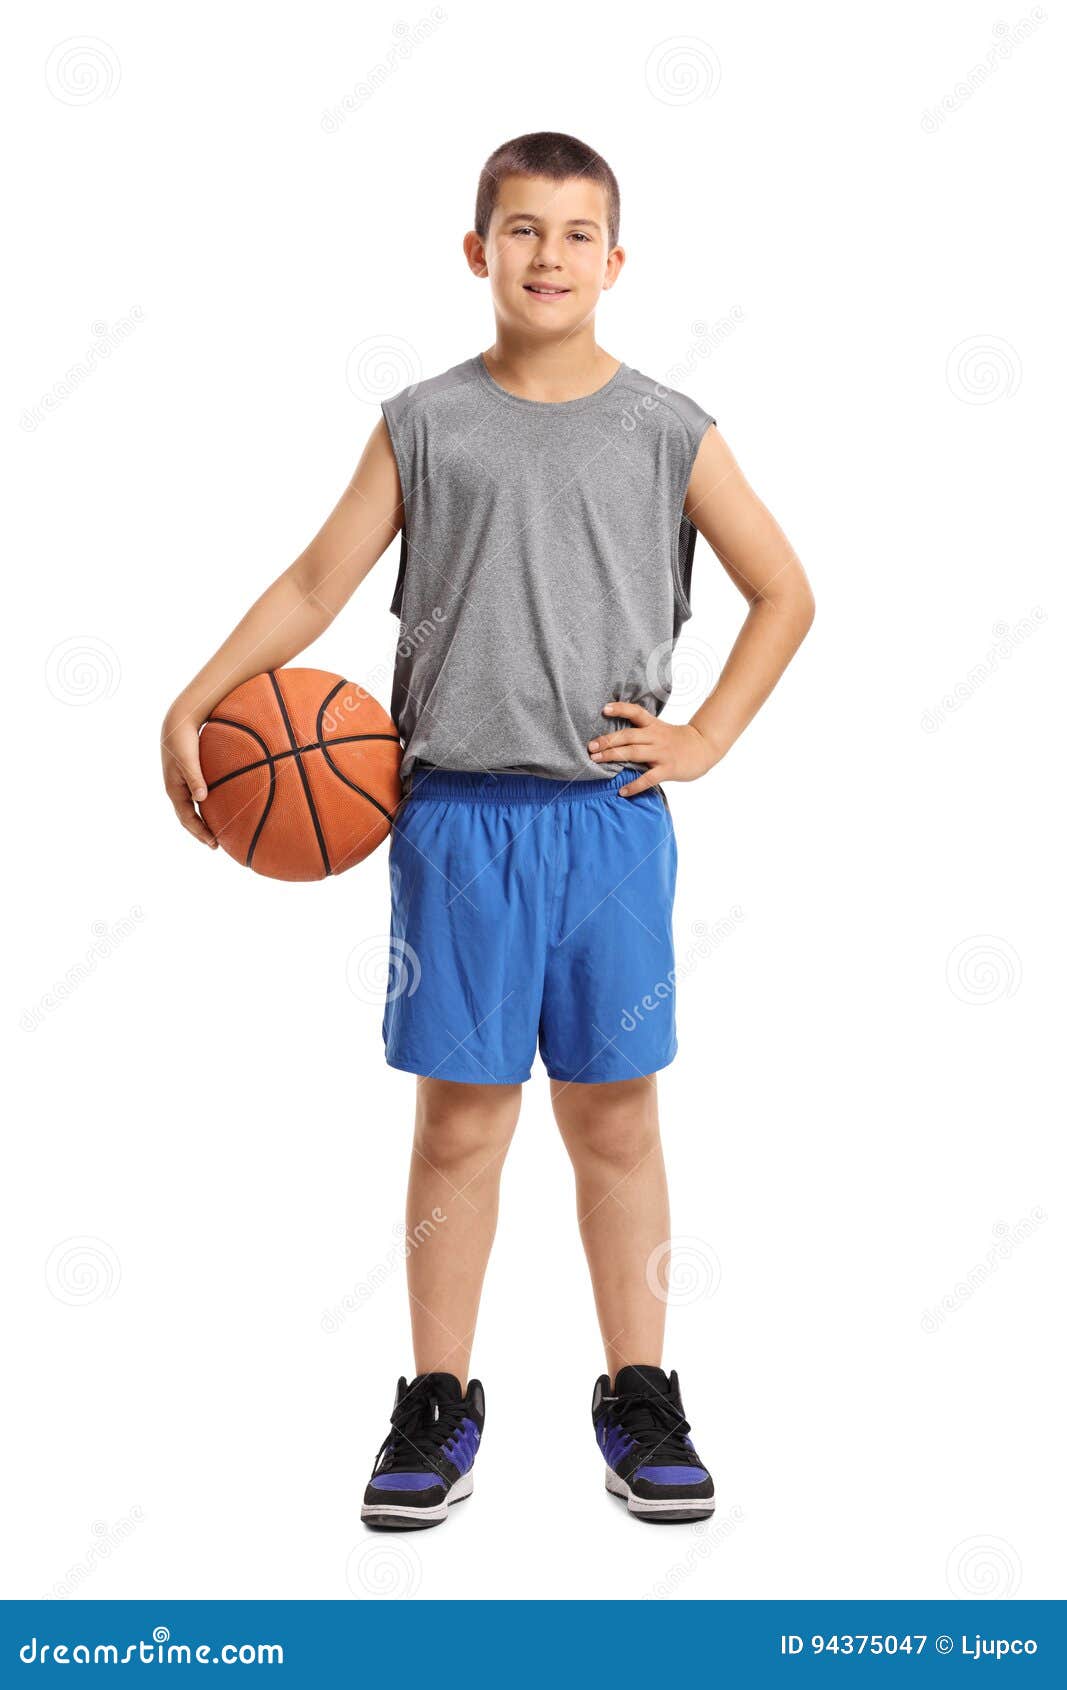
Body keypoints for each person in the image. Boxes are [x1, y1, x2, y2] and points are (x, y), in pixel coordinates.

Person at [161, 131, 815, 1531]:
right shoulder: (425, 423)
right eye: (522, 230)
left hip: (606, 824)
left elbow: (785, 592)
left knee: (619, 1120)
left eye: (578, 235)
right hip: (454, 820)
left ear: (618, 262)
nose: (549, 257)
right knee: (460, 1123)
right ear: (477, 251)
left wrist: (704, 736)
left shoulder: (668, 428)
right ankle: (437, 1401)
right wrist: (201, 696)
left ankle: (641, 1392)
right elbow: (319, 575)